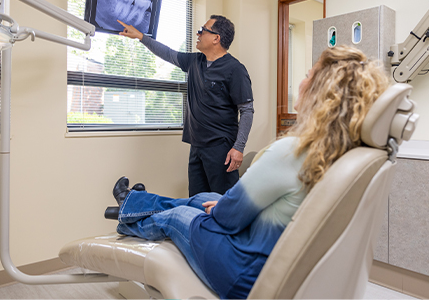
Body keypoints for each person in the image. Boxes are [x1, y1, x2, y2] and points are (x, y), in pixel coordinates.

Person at [108, 45, 390, 299]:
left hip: (244, 269)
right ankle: (132, 204)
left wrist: (221, 208)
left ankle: (126, 220)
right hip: (268, 251)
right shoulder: (342, 153)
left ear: (322, 92)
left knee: (179, 215)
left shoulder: (291, 152)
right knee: (205, 196)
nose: (302, 81)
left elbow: (228, 220)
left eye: (308, 74)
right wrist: (221, 205)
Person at [118, 15, 254, 196]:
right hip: (197, 146)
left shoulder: (235, 69)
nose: (198, 33)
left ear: (216, 38)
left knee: (223, 203)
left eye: (203, 30)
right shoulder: (195, 62)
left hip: (221, 148)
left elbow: (246, 110)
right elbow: (167, 53)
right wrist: (141, 37)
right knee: (196, 201)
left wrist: (238, 148)